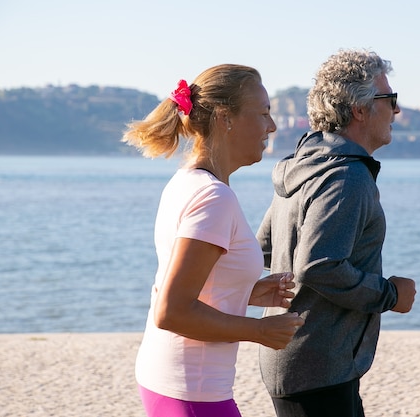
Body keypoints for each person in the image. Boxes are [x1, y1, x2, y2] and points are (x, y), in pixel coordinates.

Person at [123, 64, 305, 417]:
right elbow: (172, 310)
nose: (272, 126)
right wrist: (260, 330)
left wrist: (247, 293)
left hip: (170, 378)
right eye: (264, 113)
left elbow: (192, 287)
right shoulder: (212, 197)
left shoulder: (187, 182)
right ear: (225, 118)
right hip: (192, 391)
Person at [256, 49, 417, 417]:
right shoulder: (347, 175)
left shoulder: (303, 166)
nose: (396, 110)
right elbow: (318, 265)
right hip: (318, 368)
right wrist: (391, 295)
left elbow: (264, 249)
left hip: (295, 360)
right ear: (359, 109)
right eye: (389, 99)